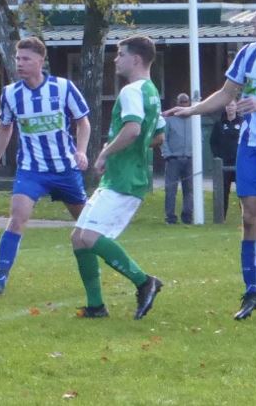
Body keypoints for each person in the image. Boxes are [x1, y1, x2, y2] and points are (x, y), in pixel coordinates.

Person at [165, 0, 256, 319]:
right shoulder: (247, 54)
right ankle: (251, 292)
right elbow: (226, 93)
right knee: (248, 218)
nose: (253, 20)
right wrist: (193, 111)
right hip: (251, 145)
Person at [0, 36, 91, 296]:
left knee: (86, 226)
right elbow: (4, 128)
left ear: (41, 61)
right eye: (18, 58)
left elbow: (83, 122)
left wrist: (80, 152)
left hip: (64, 169)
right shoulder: (11, 93)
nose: (20, 63)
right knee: (17, 218)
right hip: (31, 170)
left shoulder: (63, 88)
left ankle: (105, 276)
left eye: (26, 59)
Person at [71, 35, 164, 320]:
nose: (115, 59)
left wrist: (106, 153)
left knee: (90, 237)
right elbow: (158, 136)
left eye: (120, 54)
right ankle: (96, 305)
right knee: (78, 238)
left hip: (124, 178)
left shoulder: (131, 91)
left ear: (135, 59)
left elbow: (133, 129)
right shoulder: (151, 91)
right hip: (126, 176)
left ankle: (144, 281)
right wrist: (126, 150)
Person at [161, 93, 194, 224]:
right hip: (173, 159)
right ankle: (170, 217)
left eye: (186, 102)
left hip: (190, 159)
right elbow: (164, 139)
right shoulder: (169, 120)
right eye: (181, 102)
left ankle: (187, 216)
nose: (184, 105)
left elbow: (200, 139)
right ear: (177, 103)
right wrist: (167, 154)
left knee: (189, 189)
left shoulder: (194, 121)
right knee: (170, 190)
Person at [209, 102, 242, 215]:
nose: (230, 108)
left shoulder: (242, 122)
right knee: (223, 191)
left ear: (236, 107)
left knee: (243, 190)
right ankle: (221, 216)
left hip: (239, 162)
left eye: (232, 105)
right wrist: (218, 156)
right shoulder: (219, 124)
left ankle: (246, 215)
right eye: (228, 106)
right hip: (224, 163)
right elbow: (213, 142)